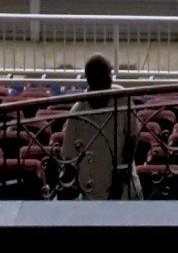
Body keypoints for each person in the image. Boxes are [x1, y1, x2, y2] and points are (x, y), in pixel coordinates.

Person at [55, 54, 132, 199]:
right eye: (105, 76)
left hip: (124, 189)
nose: (110, 80)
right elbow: (69, 157)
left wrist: (122, 173)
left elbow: (132, 136)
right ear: (90, 80)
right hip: (93, 191)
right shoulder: (77, 113)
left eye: (110, 74)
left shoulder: (122, 97)